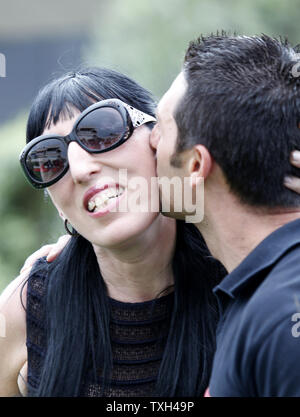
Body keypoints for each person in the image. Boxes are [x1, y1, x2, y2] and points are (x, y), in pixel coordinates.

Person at [0, 67, 225, 397]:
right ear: (58, 205)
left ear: (158, 142)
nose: (79, 169)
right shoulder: (23, 310)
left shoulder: (240, 276)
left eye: (101, 131)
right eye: (49, 159)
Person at [150, 33, 300, 396]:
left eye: (161, 127)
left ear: (196, 164)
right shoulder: (257, 292)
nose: (150, 140)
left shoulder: (283, 318)